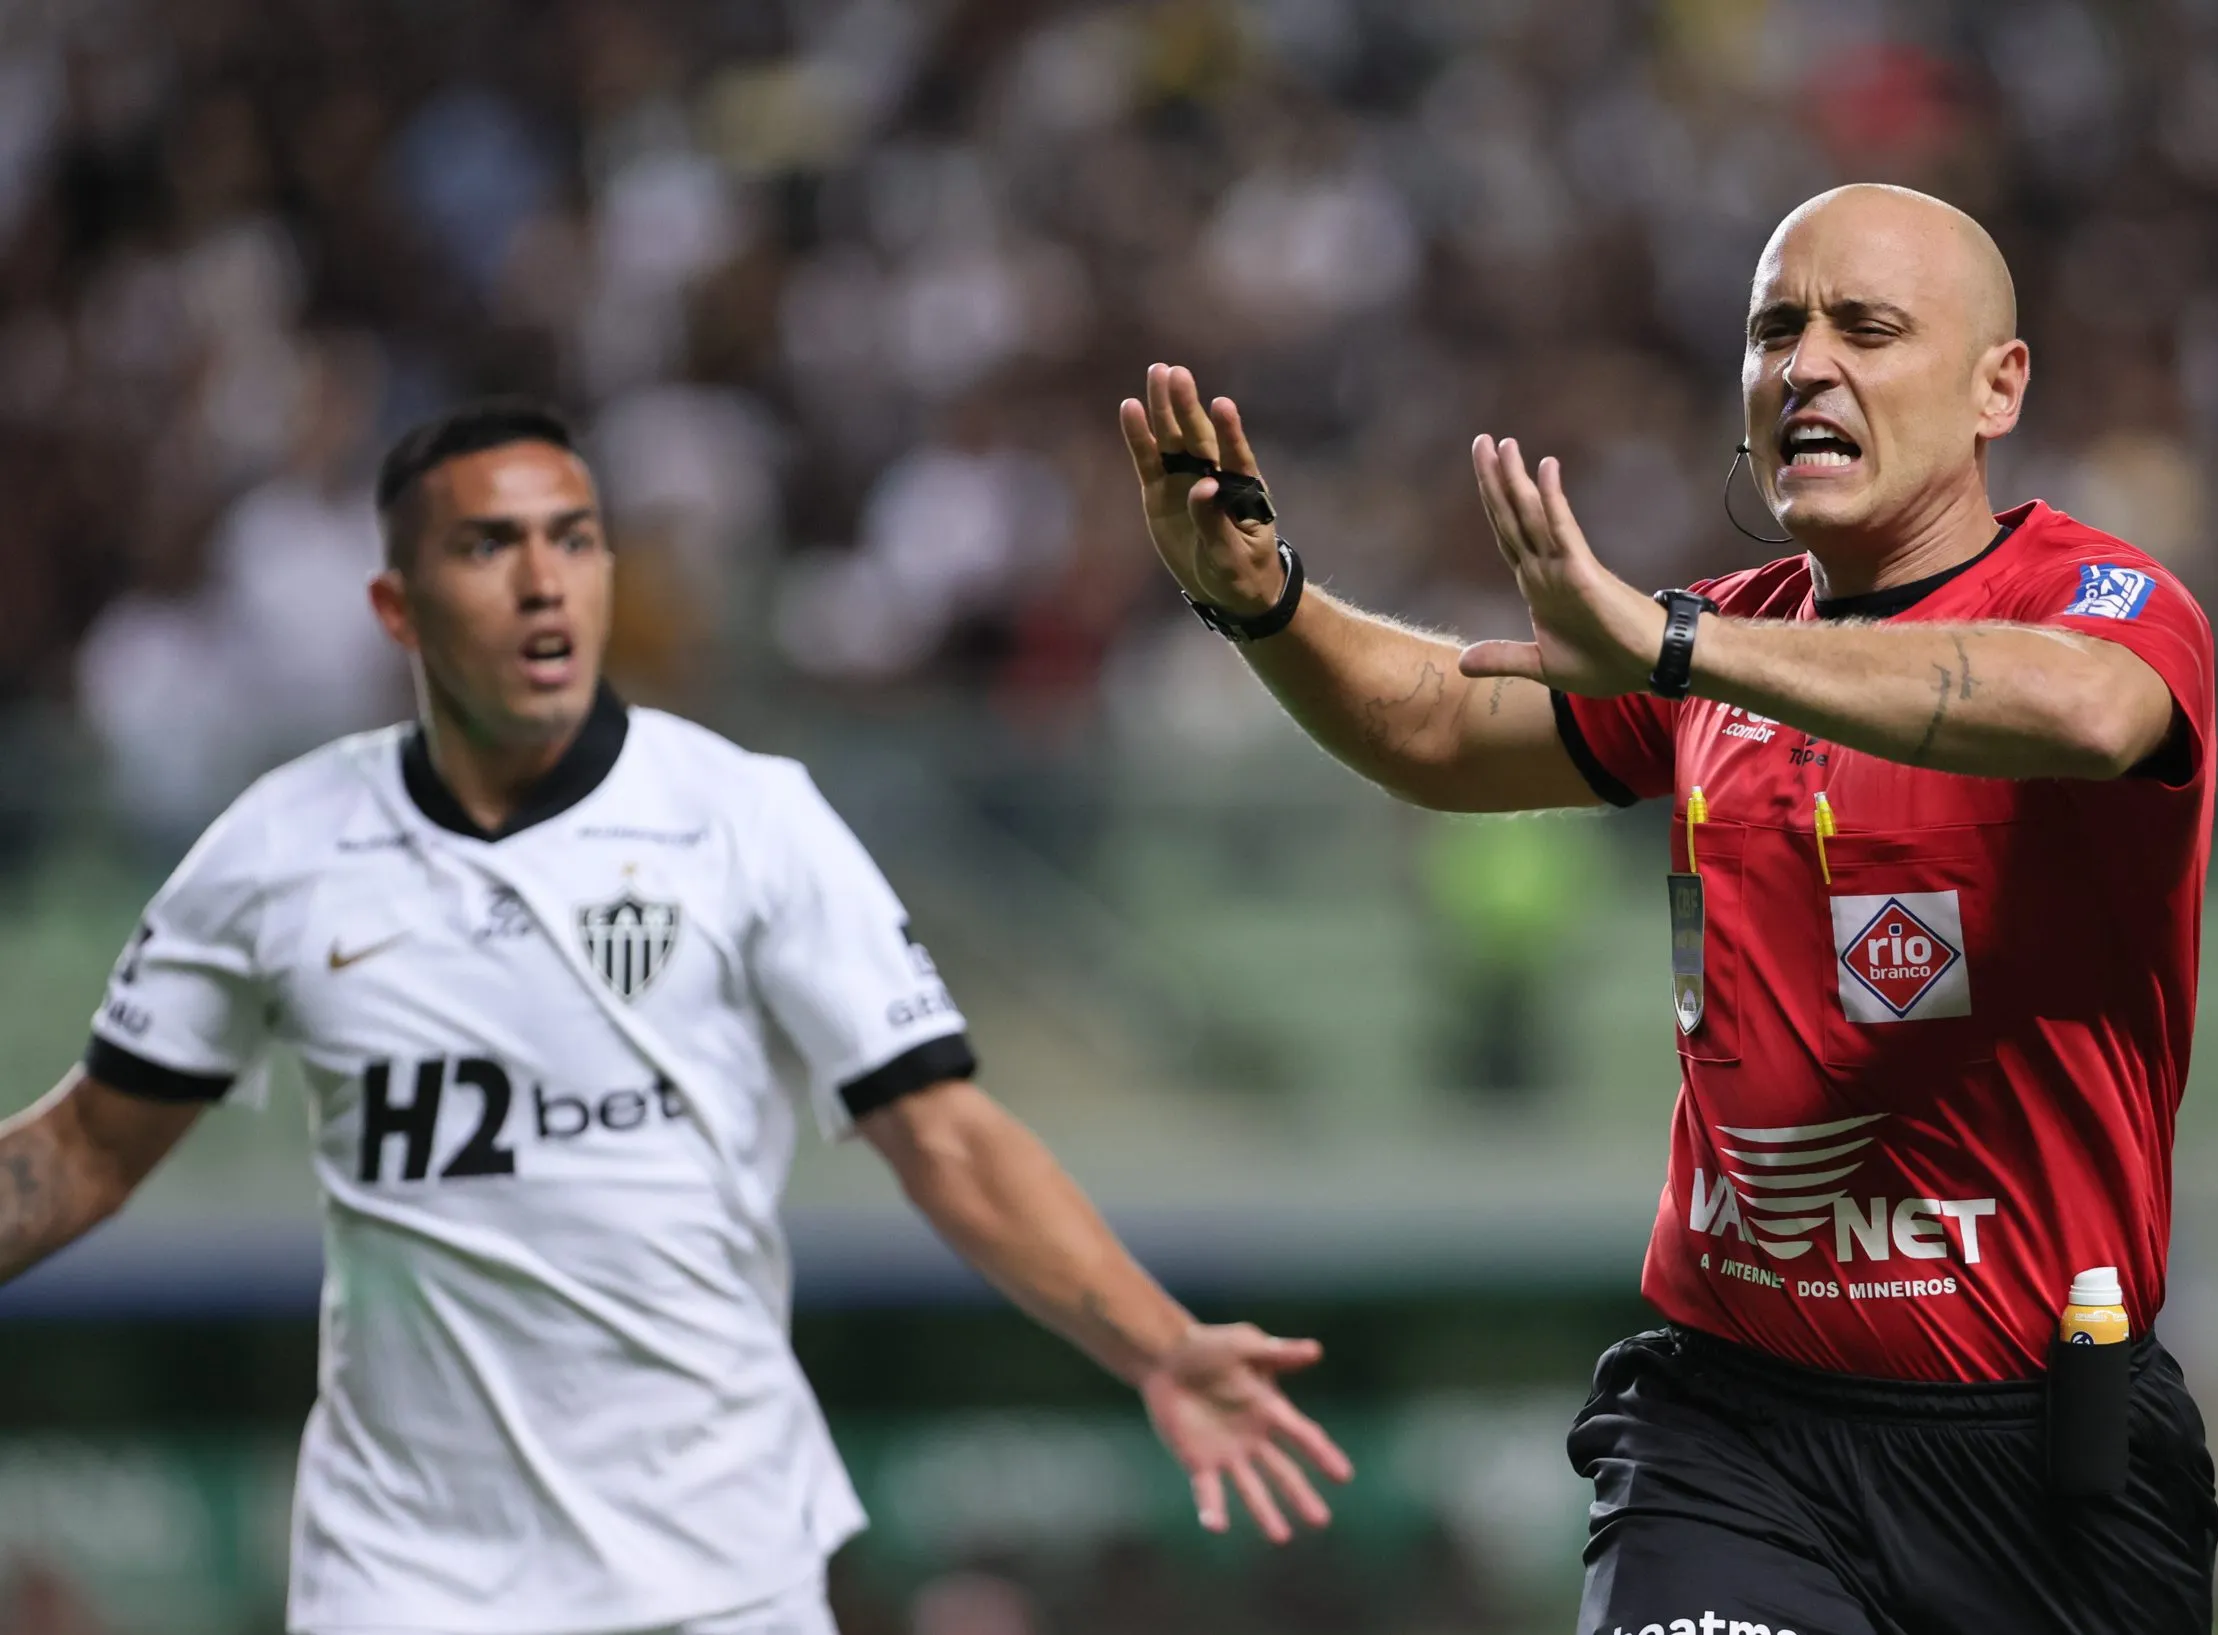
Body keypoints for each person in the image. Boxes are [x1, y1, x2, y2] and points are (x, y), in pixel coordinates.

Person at [0, 402, 1351, 1635]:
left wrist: (1154, 1340)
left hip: (720, 1573)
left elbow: (943, 1133)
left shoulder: (746, 818)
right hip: (401, 1582)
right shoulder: (278, 848)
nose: (543, 579)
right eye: (487, 546)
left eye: (573, 538)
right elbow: (87, 1149)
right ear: (397, 606)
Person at [1123, 183, 2218, 1634]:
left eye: (1867, 328)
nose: (1804, 365)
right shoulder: (1722, 643)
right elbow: (1439, 728)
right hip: (1733, 1432)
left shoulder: (2099, 601)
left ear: (1994, 386)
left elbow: (2084, 712)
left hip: (2034, 1454)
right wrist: (1264, 601)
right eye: (1775, 329)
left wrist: (1681, 644)